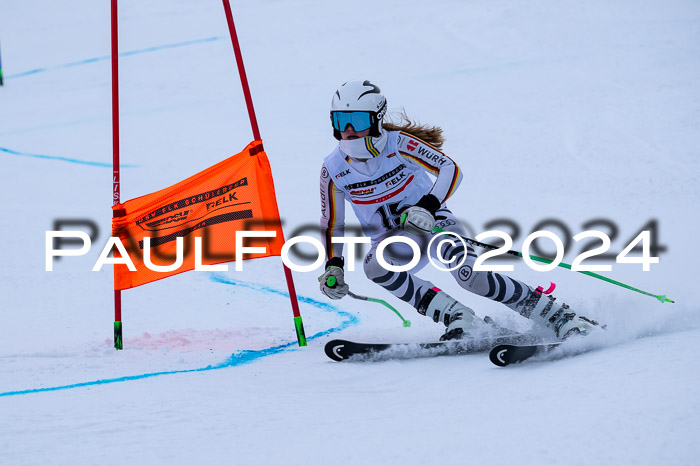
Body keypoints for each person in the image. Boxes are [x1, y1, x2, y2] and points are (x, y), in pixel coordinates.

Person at [318, 79, 600, 341]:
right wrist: (334, 266)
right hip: (395, 244)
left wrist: (427, 207)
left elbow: (450, 169)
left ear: (377, 120)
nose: (348, 130)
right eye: (341, 121)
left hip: (435, 226)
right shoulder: (333, 168)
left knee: (472, 279)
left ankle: (560, 316)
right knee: (374, 267)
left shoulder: (399, 143)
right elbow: (333, 224)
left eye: (357, 120)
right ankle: (459, 317)